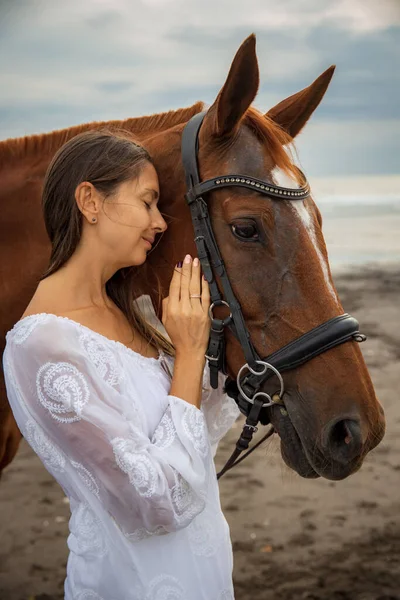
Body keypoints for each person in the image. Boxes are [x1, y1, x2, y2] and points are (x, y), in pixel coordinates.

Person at [2, 130, 240, 600]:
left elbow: (192, 428)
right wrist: (189, 355)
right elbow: (155, 502)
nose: (160, 222)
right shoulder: (43, 344)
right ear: (90, 201)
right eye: (148, 202)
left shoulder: (131, 314)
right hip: (132, 585)